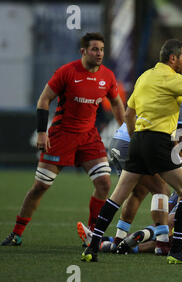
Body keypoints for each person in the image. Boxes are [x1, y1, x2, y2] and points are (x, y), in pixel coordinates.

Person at [80, 39, 182, 264]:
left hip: (137, 140)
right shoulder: (173, 79)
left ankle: (92, 248)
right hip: (158, 141)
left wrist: (136, 139)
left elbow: (130, 114)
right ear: (173, 59)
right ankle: (175, 250)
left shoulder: (144, 76)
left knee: (118, 196)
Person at [1, 33, 125, 246]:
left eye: (102, 50)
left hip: (89, 137)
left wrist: (125, 129)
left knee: (104, 183)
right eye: (94, 49)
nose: (99, 54)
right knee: (40, 186)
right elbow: (44, 99)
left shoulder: (107, 76)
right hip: (62, 136)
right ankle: (17, 233)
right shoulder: (67, 72)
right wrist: (42, 132)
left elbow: (115, 102)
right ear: (83, 51)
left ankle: (92, 235)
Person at [77, 73, 182, 256]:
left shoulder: (157, 89)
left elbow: (172, 139)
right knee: (161, 190)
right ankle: (162, 242)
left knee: (137, 191)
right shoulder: (181, 99)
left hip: (123, 141)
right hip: (134, 144)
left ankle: (115, 239)